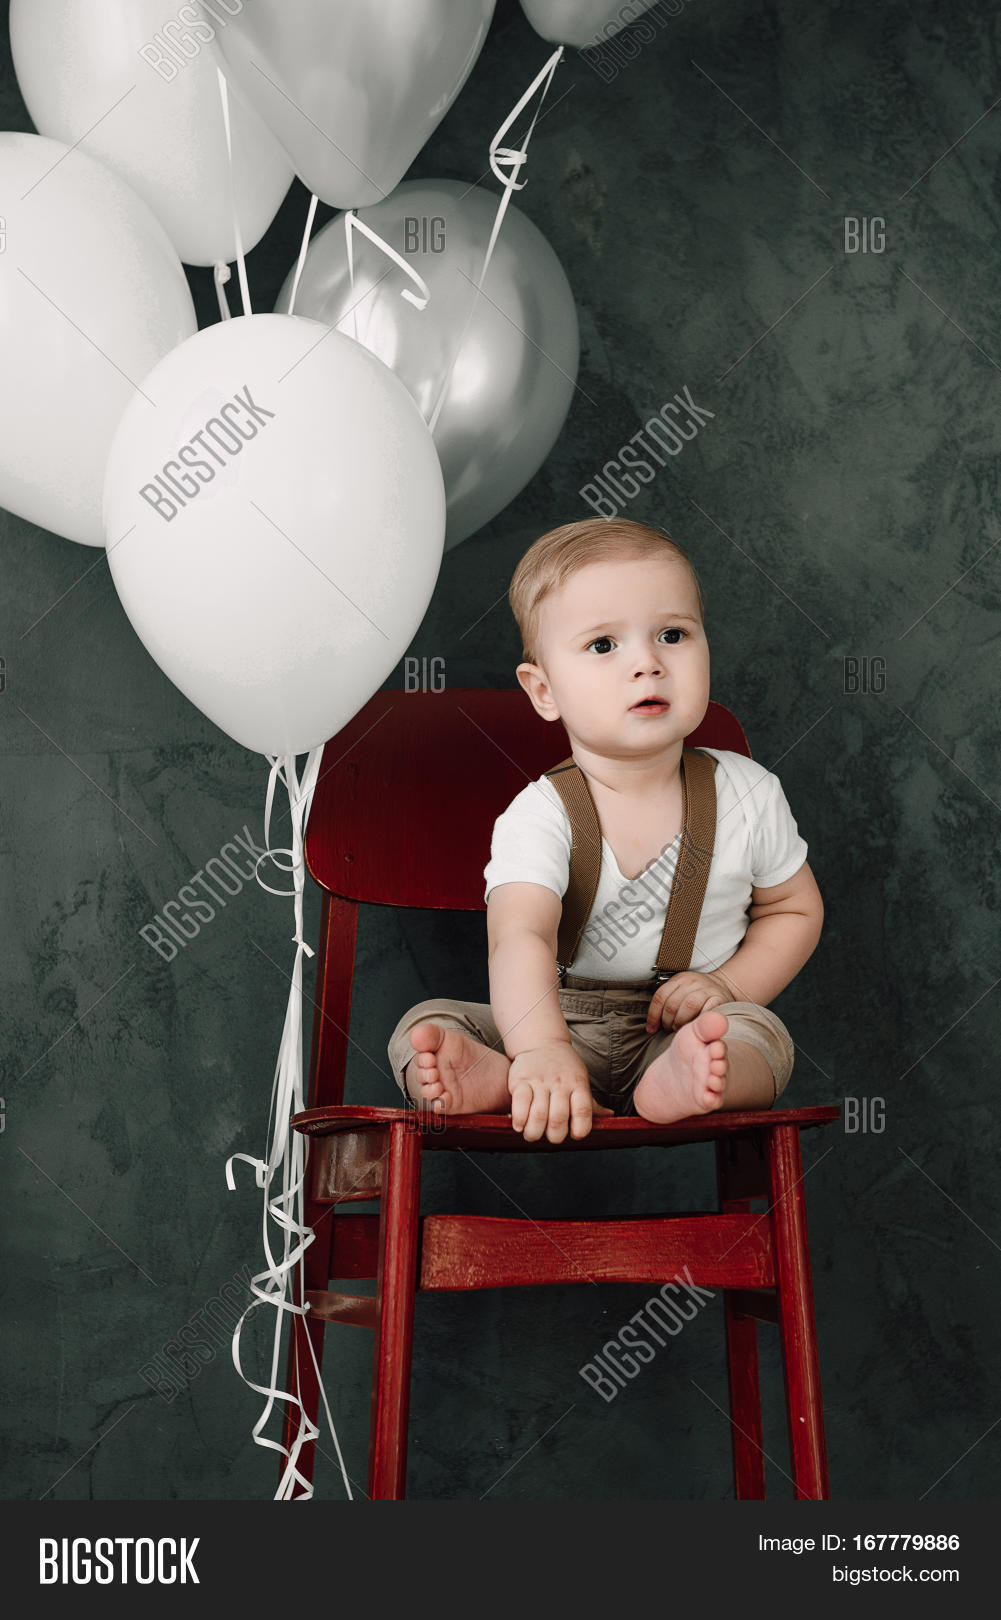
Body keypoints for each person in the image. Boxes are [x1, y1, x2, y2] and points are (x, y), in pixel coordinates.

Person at [386, 518, 823, 1145]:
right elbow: (521, 938)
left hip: (678, 1031)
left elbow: (795, 909)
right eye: (602, 646)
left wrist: (727, 986)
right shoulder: (540, 814)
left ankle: (686, 1079)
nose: (647, 663)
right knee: (428, 1023)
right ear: (543, 691)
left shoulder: (748, 793)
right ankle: (509, 1076)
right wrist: (540, 1048)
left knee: (759, 1036)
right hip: (555, 1028)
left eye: (672, 635)